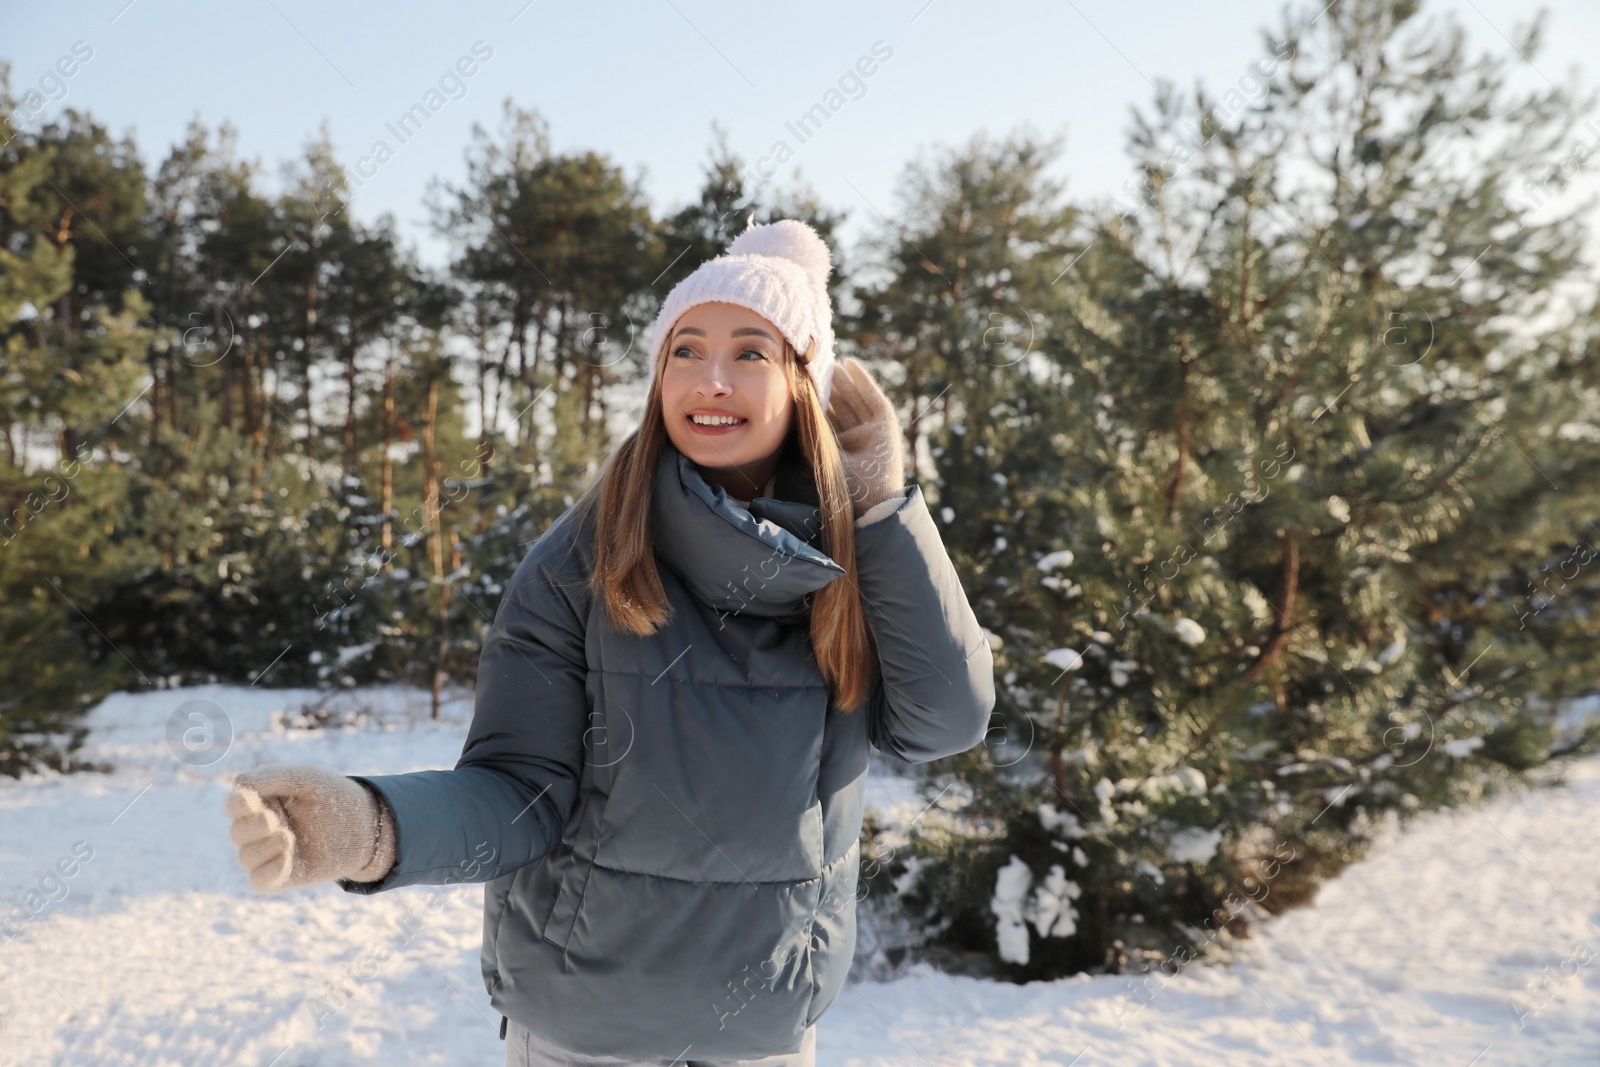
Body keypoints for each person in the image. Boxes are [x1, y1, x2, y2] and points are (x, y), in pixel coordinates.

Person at [223, 218, 996, 1066]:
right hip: (582, 1031)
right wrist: (372, 825)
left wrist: (882, 505)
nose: (711, 379)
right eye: (685, 350)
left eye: (751, 353)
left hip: (763, 1031)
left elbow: (945, 722)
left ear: (803, 382)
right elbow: (520, 791)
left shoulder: (860, 556)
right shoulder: (582, 559)